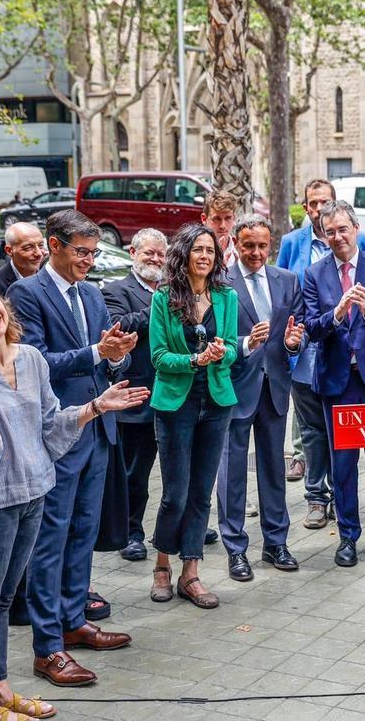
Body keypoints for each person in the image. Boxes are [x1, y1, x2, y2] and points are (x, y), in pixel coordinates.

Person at [0, 276, 148, 721]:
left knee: (1, 601)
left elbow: (51, 427)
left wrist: (98, 406)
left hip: (35, 492)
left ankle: (0, 690)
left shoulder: (32, 358)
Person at [6, 209, 138, 687]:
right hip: (58, 433)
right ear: (54, 245)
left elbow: (102, 363)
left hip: (99, 429)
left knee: (84, 532)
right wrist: (95, 354)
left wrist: (116, 359)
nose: (89, 260)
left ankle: (73, 620)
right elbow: (36, 362)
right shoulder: (26, 293)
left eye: (94, 252)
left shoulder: (91, 294)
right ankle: (47, 648)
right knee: (51, 540)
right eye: (82, 251)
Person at [275, 179, 365, 521]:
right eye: (314, 204)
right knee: (316, 433)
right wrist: (295, 338)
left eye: (326, 203)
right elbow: (287, 295)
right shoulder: (299, 252)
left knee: (360, 452)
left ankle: (349, 506)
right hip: (312, 356)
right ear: (307, 210)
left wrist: (364, 310)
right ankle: (318, 498)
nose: (320, 211)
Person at [148, 223, 238, 609]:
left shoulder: (226, 296)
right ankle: (162, 566)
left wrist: (221, 352)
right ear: (183, 254)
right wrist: (193, 359)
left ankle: (191, 573)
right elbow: (157, 357)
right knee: (176, 493)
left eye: (210, 251)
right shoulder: (164, 298)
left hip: (216, 401)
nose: (204, 256)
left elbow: (234, 347)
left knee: (202, 492)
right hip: (176, 403)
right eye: (198, 249)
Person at [304, 201, 365, 567]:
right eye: (330, 232)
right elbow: (311, 327)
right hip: (338, 383)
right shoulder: (314, 274)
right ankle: (347, 537)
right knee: (342, 466)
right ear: (324, 236)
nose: (338, 237)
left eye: (343, 229)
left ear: (356, 228)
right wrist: (337, 314)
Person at [217, 215, 303, 581]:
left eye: (262, 246)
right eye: (248, 245)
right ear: (235, 242)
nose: (255, 253)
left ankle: (275, 542)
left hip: (275, 387)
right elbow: (212, 337)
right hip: (236, 386)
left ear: (272, 245)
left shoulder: (287, 280)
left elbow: (296, 330)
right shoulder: (220, 284)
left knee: (273, 470)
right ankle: (236, 548)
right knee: (233, 472)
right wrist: (243, 345)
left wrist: (293, 343)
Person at [102, 228, 167, 563]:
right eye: (148, 253)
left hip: (172, 396)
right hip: (135, 397)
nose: (155, 259)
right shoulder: (116, 290)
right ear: (132, 253)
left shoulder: (172, 291)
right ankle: (130, 532)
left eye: (160, 254)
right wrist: (160, 307)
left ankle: (173, 529)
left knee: (174, 470)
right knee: (134, 473)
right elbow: (118, 326)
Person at [0, 222, 46, 296]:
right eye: (28, 248)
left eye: (41, 246)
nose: (39, 253)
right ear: (9, 251)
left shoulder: (50, 275)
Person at [200, 189, 240, 270]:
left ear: (234, 219)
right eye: (217, 219)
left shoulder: (241, 251)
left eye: (228, 218)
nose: (223, 226)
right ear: (204, 219)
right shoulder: (194, 251)